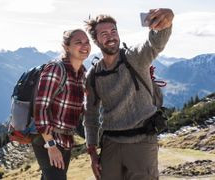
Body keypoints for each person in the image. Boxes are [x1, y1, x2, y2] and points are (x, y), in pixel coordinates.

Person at [83, 8, 174, 180]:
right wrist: (92, 152)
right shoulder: (93, 75)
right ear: (96, 41)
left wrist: (167, 19)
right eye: (103, 33)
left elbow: (155, 43)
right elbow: (90, 115)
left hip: (142, 142)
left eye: (113, 31)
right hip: (110, 144)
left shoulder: (135, 57)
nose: (110, 36)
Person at [33, 29, 91, 180]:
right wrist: (51, 145)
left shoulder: (82, 73)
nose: (84, 45)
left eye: (87, 42)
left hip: (66, 141)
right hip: (48, 140)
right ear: (66, 47)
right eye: (78, 42)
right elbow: (40, 108)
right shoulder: (56, 69)